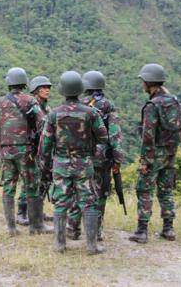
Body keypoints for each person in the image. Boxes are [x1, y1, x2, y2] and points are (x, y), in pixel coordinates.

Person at [38, 71, 108, 254]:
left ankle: (60, 245)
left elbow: (45, 144)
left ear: (63, 91)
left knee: (60, 203)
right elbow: (103, 138)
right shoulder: (91, 113)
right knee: (90, 203)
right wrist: (93, 157)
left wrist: (44, 166)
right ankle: (92, 246)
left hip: (60, 164)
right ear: (80, 90)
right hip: (84, 164)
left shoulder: (54, 114)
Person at [0, 68, 51, 236]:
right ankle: (36, 227)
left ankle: (11, 228)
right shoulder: (30, 100)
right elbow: (43, 121)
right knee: (31, 186)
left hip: (6, 150)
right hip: (25, 150)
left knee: (8, 186)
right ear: (24, 82)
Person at [129, 64, 181, 243]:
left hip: (155, 154)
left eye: (143, 82)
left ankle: (142, 231)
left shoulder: (152, 106)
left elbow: (148, 137)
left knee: (144, 190)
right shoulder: (174, 101)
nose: (142, 85)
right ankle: (168, 229)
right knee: (166, 190)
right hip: (171, 153)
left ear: (148, 82)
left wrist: (145, 161)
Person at [66, 71, 124, 241]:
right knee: (99, 194)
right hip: (101, 158)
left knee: (78, 192)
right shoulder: (107, 105)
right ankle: (96, 232)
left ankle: (72, 228)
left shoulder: (78, 103)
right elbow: (115, 134)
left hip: (79, 156)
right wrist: (118, 158)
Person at [16, 75, 53, 226]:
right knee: (29, 182)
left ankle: (37, 211)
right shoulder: (32, 106)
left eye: (48, 87)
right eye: (43, 88)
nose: (47, 90)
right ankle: (21, 212)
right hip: (31, 149)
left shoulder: (46, 107)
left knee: (44, 181)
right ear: (35, 90)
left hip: (44, 150)